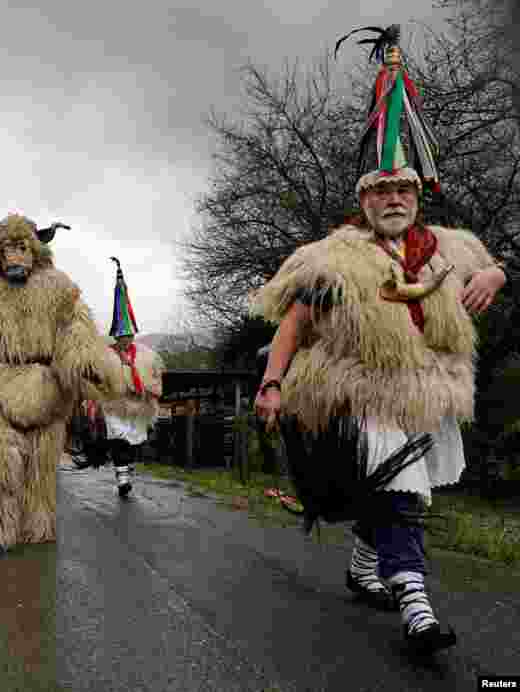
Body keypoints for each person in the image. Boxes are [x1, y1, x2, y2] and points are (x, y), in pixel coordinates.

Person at [251, 23, 507, 657]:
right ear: (364, 201)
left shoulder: (451, 247)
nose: (393, 198)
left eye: (403, 189)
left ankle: (366, 568)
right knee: (400, 494)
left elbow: (490, 268)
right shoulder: (334, 257)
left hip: (433, 395)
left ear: (417, 195)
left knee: (403, 489)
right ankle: (418, 610)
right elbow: (294, 324)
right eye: (381, 191)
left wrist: (498, 274)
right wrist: (273, 383)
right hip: (365, 393)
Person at [0, 214, 123, 554]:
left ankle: (37, 525)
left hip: (44, 387)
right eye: (7, 250)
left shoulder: (58, 287)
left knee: (40, 467)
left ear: (35, 249)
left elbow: (75, 326)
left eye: (21, 247)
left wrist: (85, 359)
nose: (15, 256)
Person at [96, 257, 165, 497]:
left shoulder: (148, 356)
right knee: (119, 439)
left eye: (128, 334)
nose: (125, 339)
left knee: (135, 441)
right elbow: (98, 379)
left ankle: (127, 469)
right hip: (116, 405)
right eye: (120, 335)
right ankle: (122, 476)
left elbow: (157, 379)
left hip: (140, 404)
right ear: (115, 336)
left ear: (133, 334)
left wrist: (150, 390)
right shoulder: (105, 356)